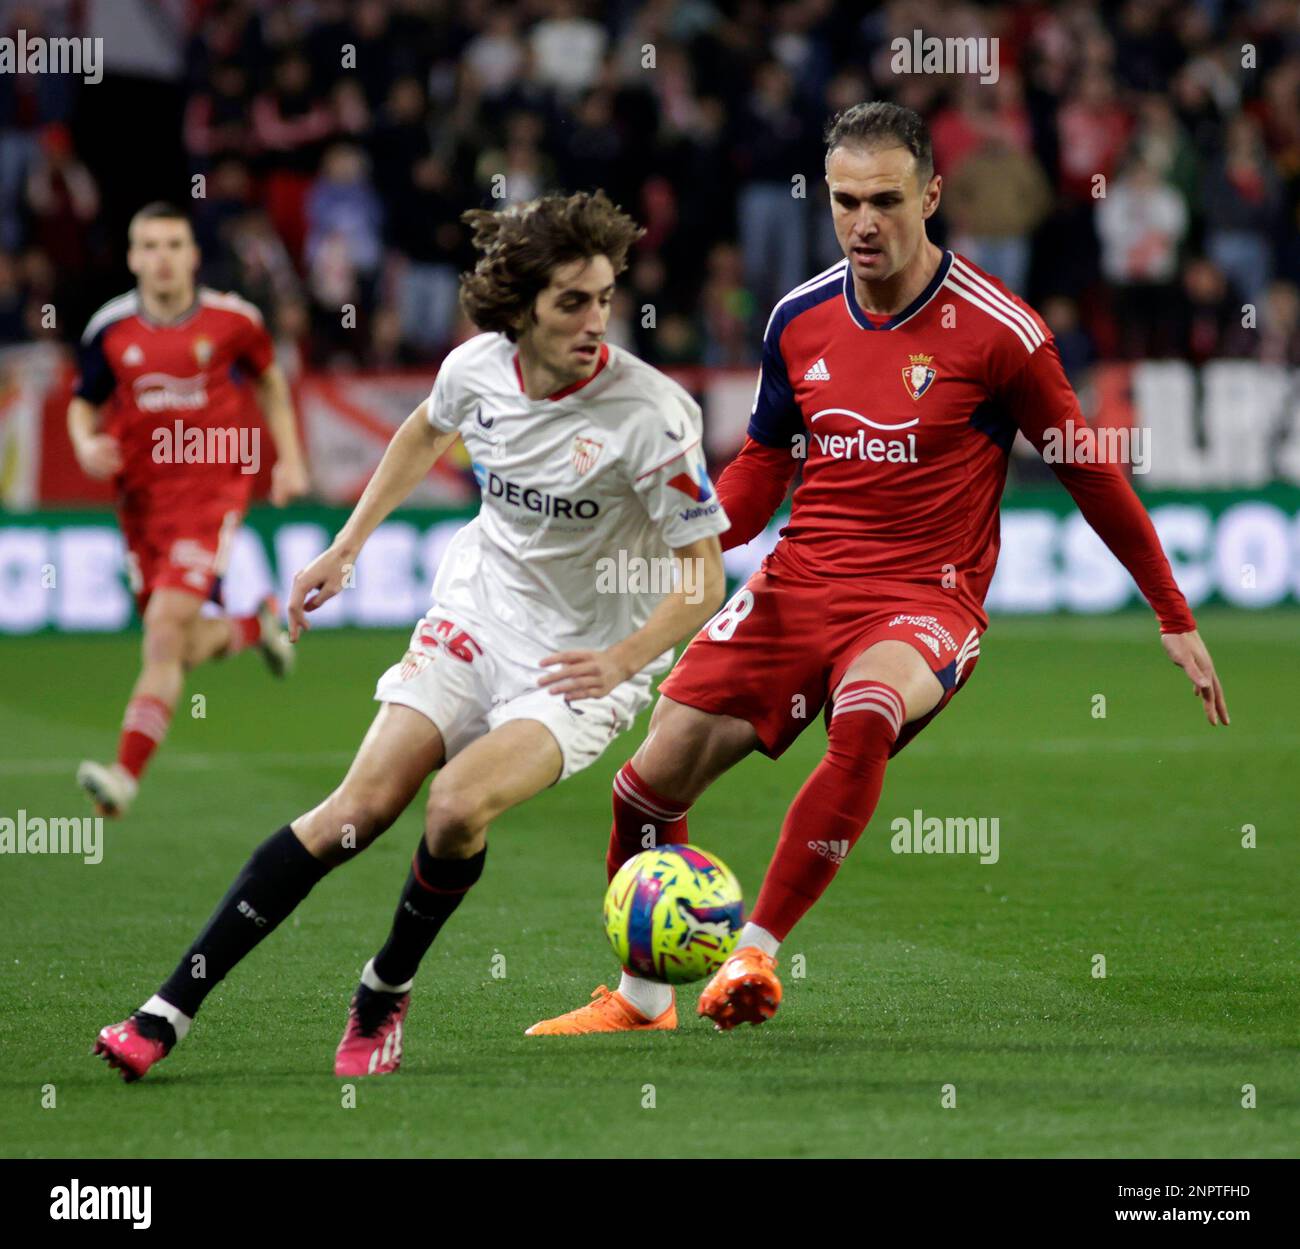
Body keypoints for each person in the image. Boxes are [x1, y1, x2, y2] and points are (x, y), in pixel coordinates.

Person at [528, 102, 1228, 1037]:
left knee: (864, 714)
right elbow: (767, 461)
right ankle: (644, 999)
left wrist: (1170, 609)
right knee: (645, 787)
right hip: (800, 579)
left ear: (932, 194)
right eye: (845, 200)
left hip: (924, 597)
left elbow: (1088, 467)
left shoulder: (1001, 333)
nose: (864, 222)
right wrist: (679, 535)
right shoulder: (799, 318)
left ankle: (754, 953)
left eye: (886, 201)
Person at [92, 190, 729, 1081]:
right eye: (571, 302)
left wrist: (623, 659)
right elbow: (423, 432)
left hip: (583, 661)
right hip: (478, 610)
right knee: (354, 813)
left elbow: (705, 575)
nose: (596, 321)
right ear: (522, 309)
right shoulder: (475, 369)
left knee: (457, 806)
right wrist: (346, 546)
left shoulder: (651, 414)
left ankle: (385, 988)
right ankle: (166, 1010)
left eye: (604, 297)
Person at [70, 202, 308, 819]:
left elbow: (270, 381)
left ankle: (124, 775)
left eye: (173, 244)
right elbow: (83, 401)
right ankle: (254, 626)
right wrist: (85, 442)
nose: (162, 258)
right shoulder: (110, 330)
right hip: (142, 503)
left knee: (163, 634)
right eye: (148, 246)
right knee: (172, 643)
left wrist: (288, 458)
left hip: (213, 489)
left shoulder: (235, 320)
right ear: (131, 258)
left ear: (193, 255)